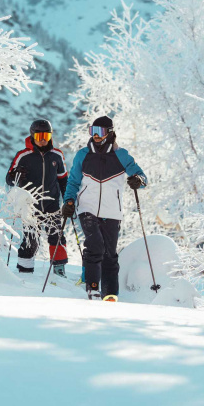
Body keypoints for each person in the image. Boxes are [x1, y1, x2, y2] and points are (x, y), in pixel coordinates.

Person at [61, 116, 146, 301]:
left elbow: (141, 177)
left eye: (99, 132)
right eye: (92, 131)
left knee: (110, 252)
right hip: (87, 208)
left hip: (112, 210)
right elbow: (73, 182)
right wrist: (69, 201)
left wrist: (138, 181)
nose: (96, 136)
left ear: (109, 132)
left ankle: (110, 293)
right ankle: (92, 288)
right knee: (95, 245)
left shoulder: (121, 155)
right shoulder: (83, 155)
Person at [6, 119, 70, 276]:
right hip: (30, 205)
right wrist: (16, 176)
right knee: (31, 238)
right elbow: (9, 179)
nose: (43, 139)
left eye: (46, 136)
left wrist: (69, 200)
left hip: (52, 203)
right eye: (40, 135)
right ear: (33, 135)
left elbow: (63, 180)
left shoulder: (57, 155)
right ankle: (24, 269)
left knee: (57, 235)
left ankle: (59, 269)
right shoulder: (23, 155)